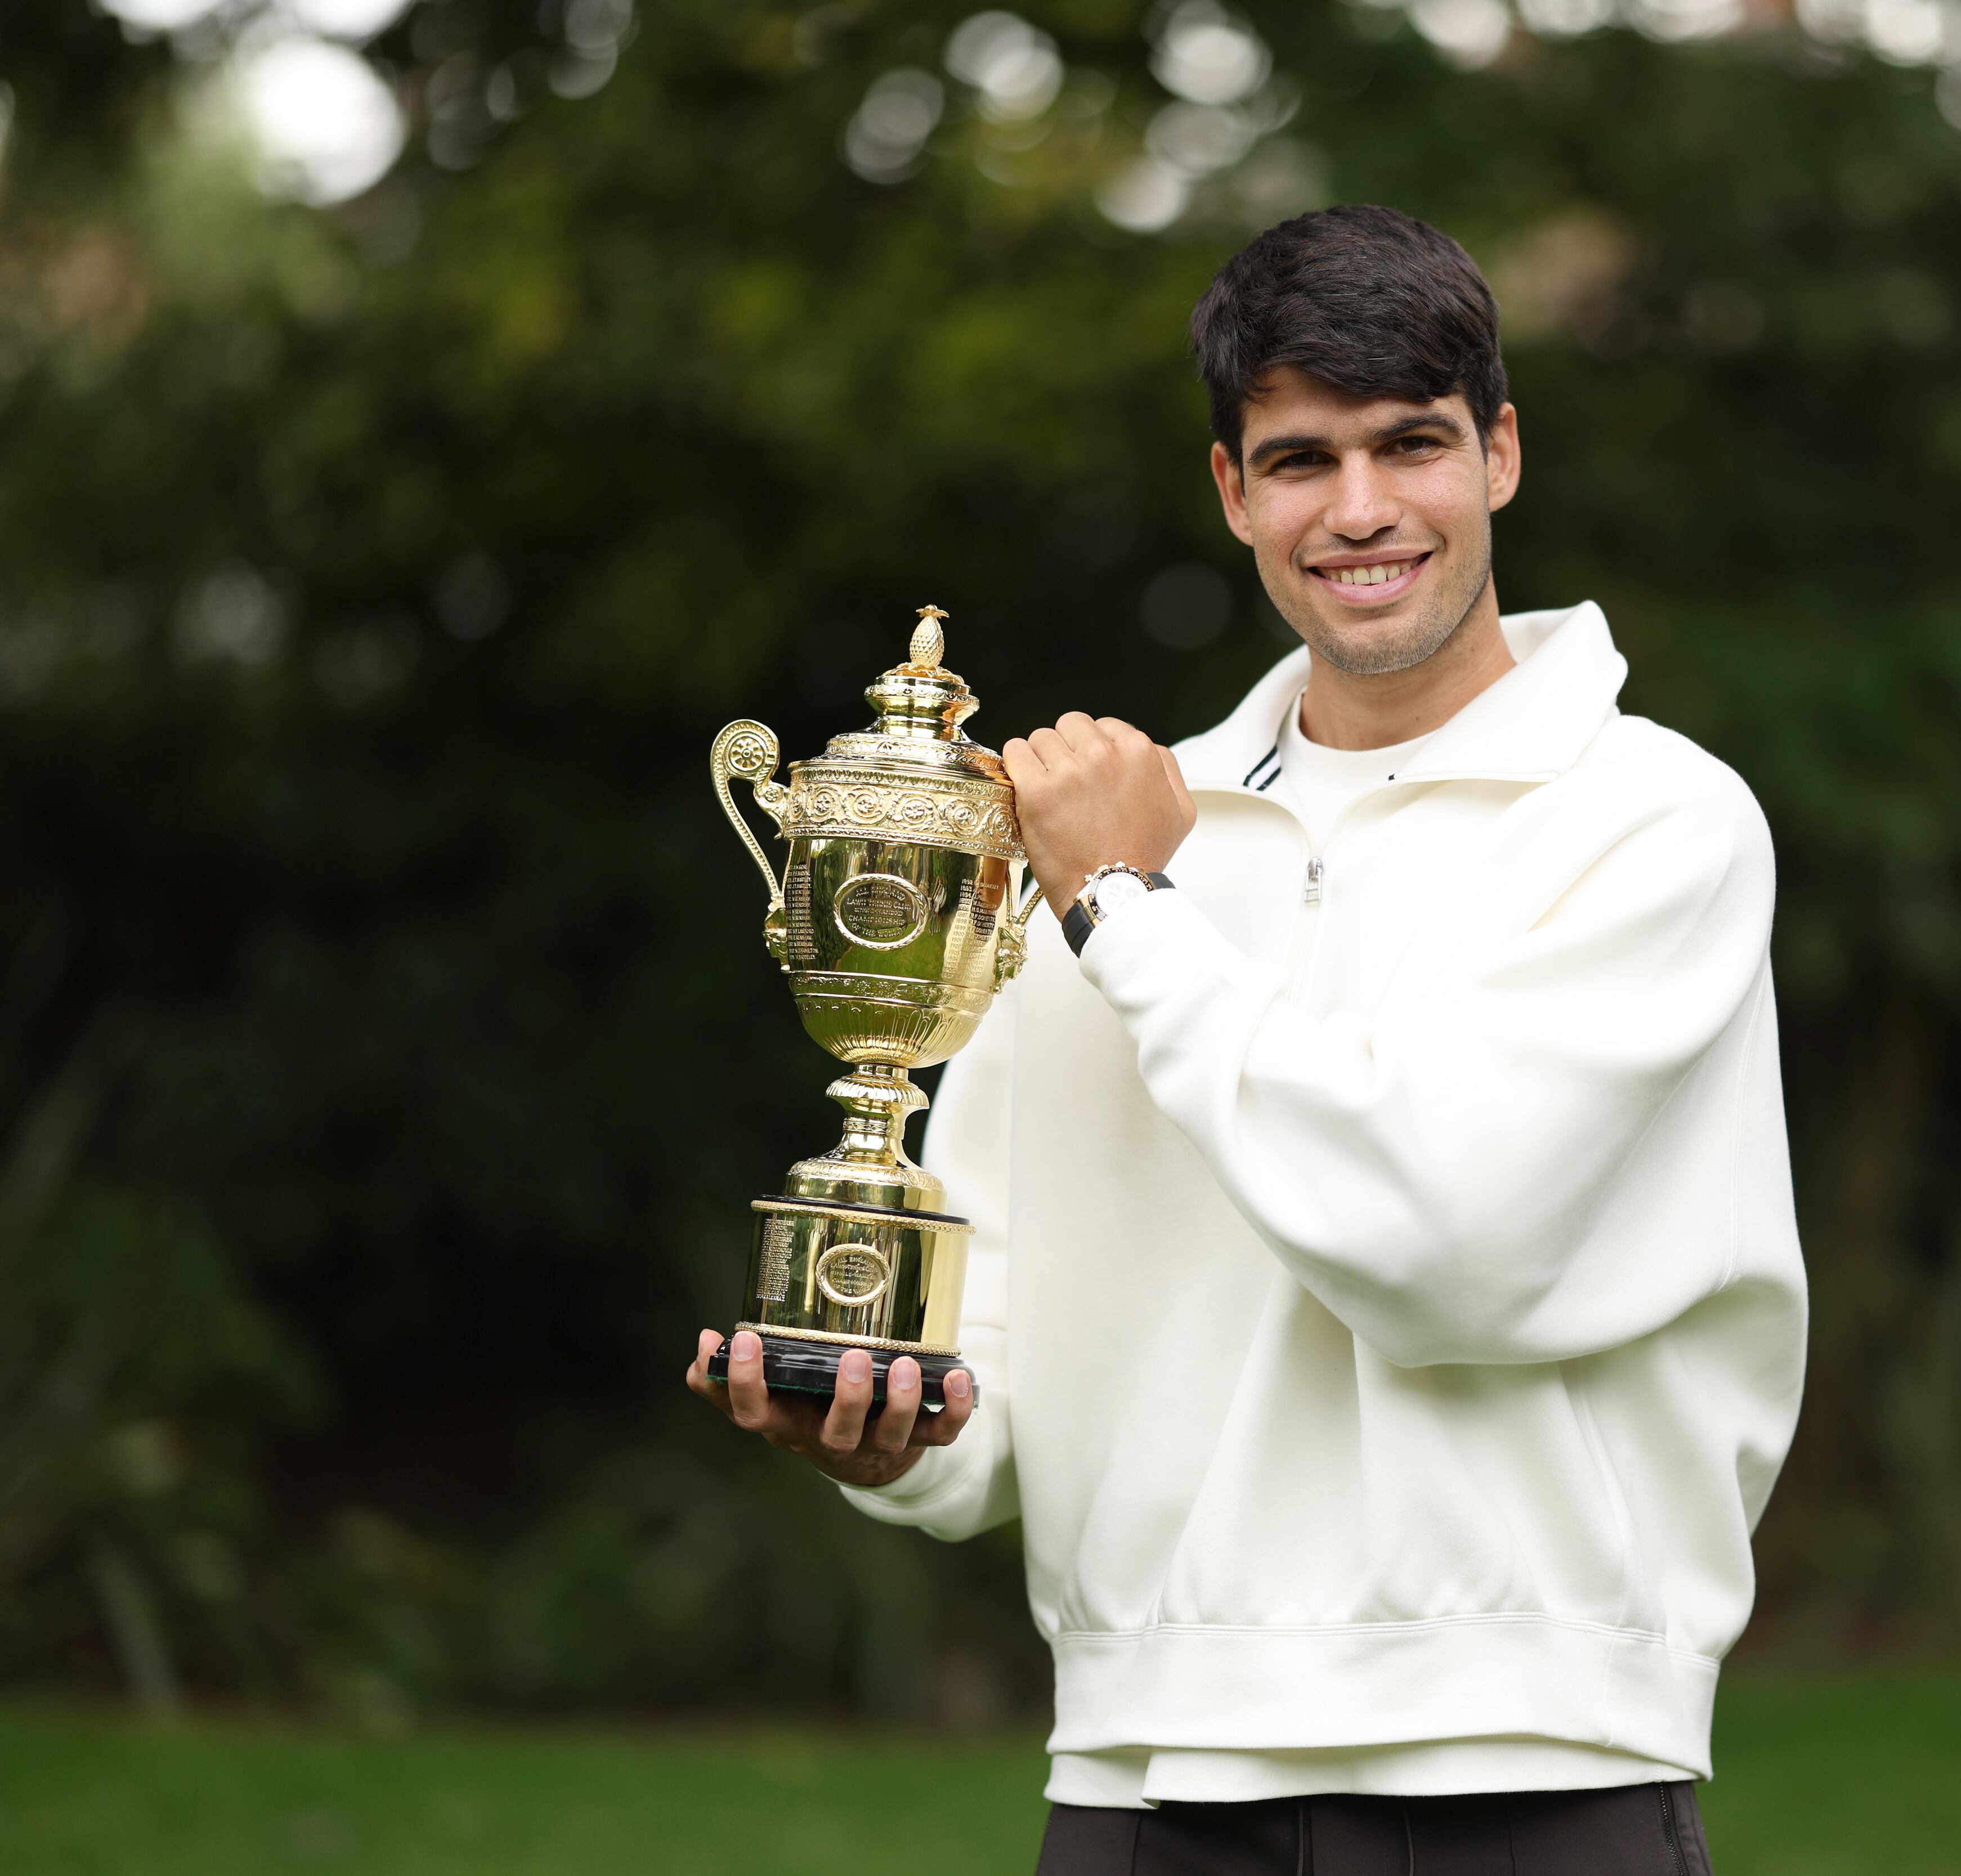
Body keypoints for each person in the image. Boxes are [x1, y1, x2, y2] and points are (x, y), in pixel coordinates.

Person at [689, 204, 1806, 1876]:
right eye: (1298, 460)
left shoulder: (1651, 821)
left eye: (1410, 445)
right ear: (1232, 492)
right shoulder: (1100, 841)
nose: (1358, 511)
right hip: (1143, 1773)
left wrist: (1133, 910)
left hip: (1530, 1763)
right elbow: (995, 1332)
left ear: (1499, 454)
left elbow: (1444, 1244)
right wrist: (891, 1425)